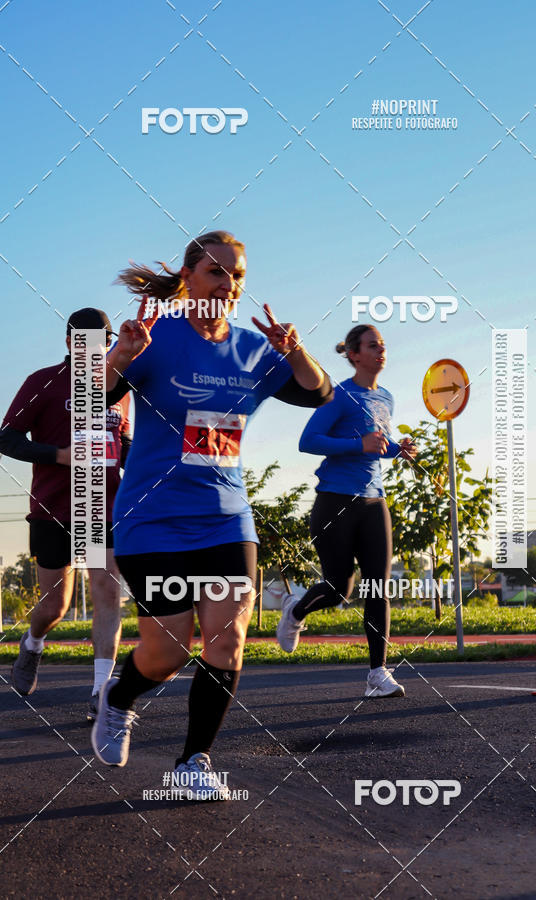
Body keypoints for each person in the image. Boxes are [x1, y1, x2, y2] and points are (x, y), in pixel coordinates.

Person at [91, 230, 332, 799]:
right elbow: (88, 398)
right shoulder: (155, 337)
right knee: (168, 651)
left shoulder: (252, 349)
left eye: (237, 275)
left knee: (227, 641)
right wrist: (120, 357)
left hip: (225, 517)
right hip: (152, 518)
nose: (229, 284)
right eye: (216, 272)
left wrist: (294, 349)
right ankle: (119, 699)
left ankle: (193, 762)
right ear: (188, 277)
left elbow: (318, 393)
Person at [0, 308, 130, 721]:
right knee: (55, 606)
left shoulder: (120, 388)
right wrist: (60, 455)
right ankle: (33, 643)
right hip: (52, 509)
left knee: (107, 593)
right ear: (70, 343)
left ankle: (101, 691)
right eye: (84, 342)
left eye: (103, 343)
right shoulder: (43, 382)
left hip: (101, 509)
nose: (94, 350)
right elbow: (7, 438)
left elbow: (124, 443)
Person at [276, 324, 417, 697]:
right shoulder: (339, 395)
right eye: (372, 345)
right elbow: (308, 441)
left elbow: (378, 444)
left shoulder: (386, 397)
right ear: (354, 355)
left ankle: (378, 674)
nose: (381, 350)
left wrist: (397, 449)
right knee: (340, 588)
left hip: (374, 501)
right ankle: (296, 610)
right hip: (335, 501)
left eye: (382, 345)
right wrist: (359, 444)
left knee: (378, 587)